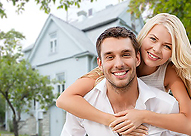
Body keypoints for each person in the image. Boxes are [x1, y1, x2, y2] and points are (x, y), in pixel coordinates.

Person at [56, 13, 191, 135]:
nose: (156, 49)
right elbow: (64, 99)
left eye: (167, 46)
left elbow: (188, 124)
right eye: (153, 39)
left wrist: (142, 116)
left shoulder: (168, 72)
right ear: (143, 36)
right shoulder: (113, 69)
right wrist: (115, 121)